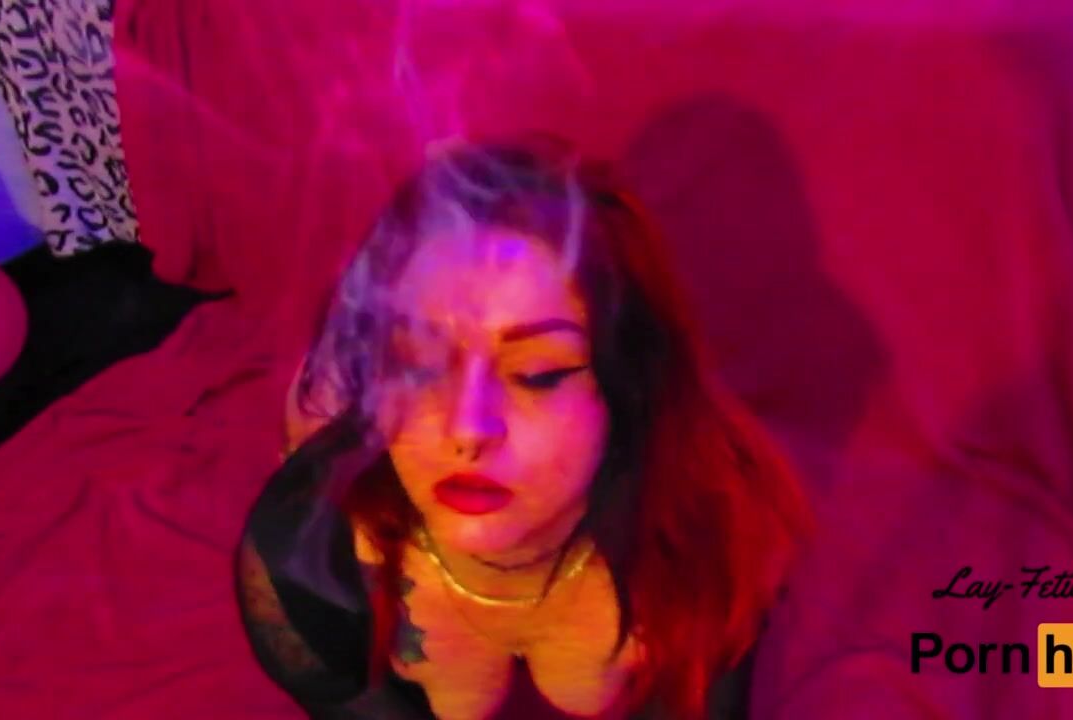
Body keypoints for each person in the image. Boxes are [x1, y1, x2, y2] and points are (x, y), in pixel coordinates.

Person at [235, 136, 811, 719]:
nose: (468, 429)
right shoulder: (304, 560)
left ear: (626, 386)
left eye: (537, 375)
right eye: (419, 362)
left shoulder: (716, 536)